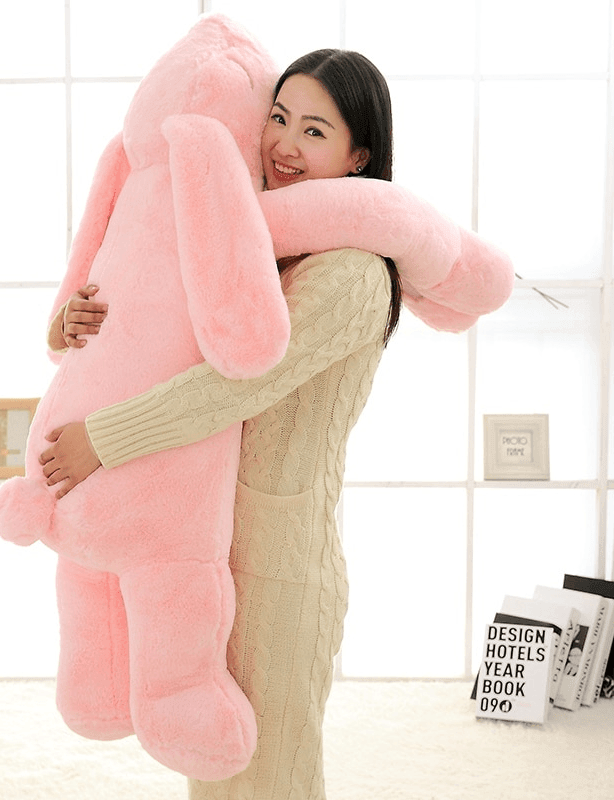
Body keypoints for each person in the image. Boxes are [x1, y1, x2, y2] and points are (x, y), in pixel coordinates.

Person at [40, 49, 401, 800]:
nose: (284, 144)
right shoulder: (259, 249)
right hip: (206, 554)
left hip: (278, 569)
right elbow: (148, 328)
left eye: (314, 131)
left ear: (359, 156)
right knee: (214, 778)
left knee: (273, 778)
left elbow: (229, 387)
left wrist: (100, 440)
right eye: (278, 117)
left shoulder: (352, 273)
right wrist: (69, 324)